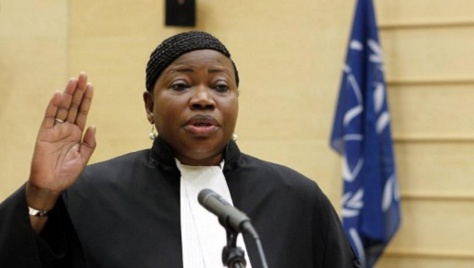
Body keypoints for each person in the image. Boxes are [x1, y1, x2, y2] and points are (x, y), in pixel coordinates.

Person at [0, 31, 360, 268]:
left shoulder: (296, 199)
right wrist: (41, 195)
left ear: (236, 100)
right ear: (149, 106)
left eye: (220, 86)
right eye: (181, 85)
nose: (203, 99)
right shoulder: (90, 195)